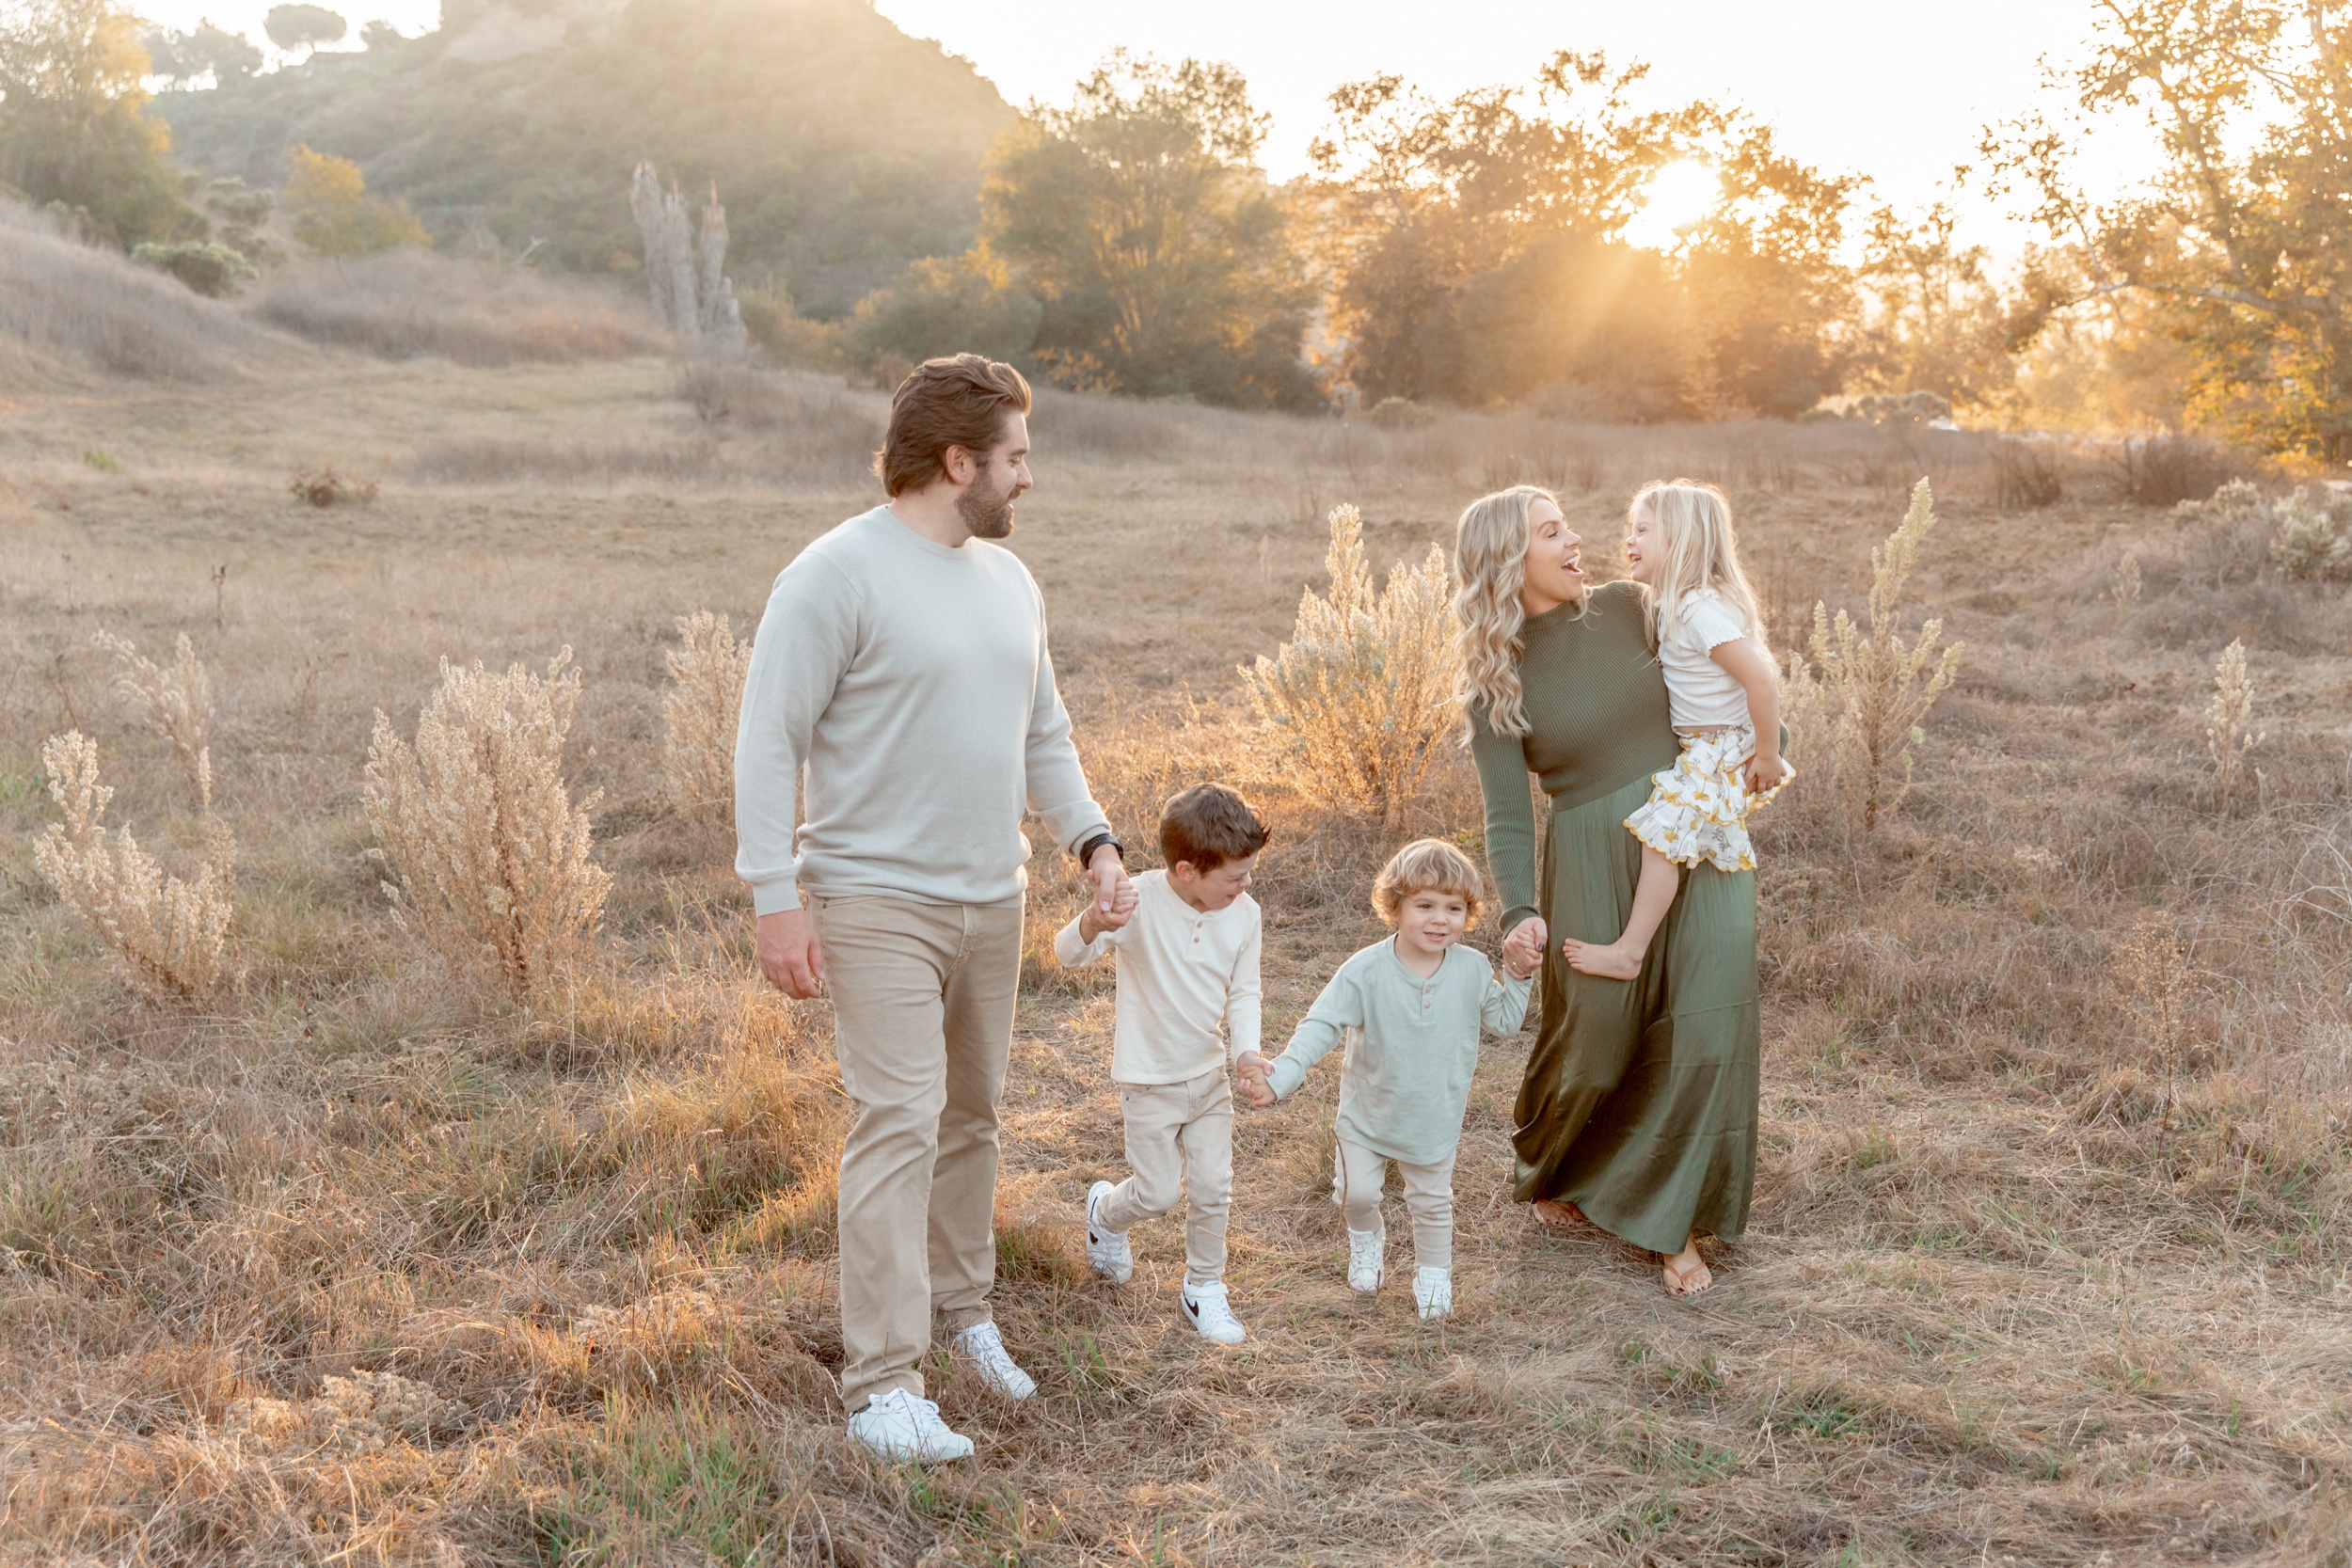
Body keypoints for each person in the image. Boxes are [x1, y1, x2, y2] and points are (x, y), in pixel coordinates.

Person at [736, 353, 1134, 1463]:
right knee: (899, 1121)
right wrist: (777, 898)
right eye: (1014, 458)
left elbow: (1041, 732)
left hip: (989, 896)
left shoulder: (1010, 583)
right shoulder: (833, 576)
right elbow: (768, 740)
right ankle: (881, 1385)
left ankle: (965, 1317)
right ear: (956, 462)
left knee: (974, 1116)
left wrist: (1093, 843)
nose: (1026, 479)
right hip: (873, 900)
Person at [1454, 483, 1764, 1299]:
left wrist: (1762, 743)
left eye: (1566, 525)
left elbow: (1723, 665)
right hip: (1592, 850)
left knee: (1708, 1020)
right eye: (1551, 532)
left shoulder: (1633, 605)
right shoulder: (1498, 683)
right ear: (1507, 562)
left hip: (1692, 833)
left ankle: (1672, 1223)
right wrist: (1520, 910)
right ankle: (1560, 1159)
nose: (1575, 539)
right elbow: (1510, 819)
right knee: (1594, 1037)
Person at [1236, 839, 1536, 1321]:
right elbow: (1320, 1026)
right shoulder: (1364, 971)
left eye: (1453, 908)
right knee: (1356, 1195)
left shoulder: (1473, 969)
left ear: (1468, 914)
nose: (1440, 919)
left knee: (1432, 1202)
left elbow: (1503, 1021)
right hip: (1366, 1115)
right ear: (1395, 907)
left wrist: (1518, 976)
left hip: (1434, 1115)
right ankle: (1365, 1240)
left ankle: (1434, 1276)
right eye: (1425, 906)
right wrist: (1282, 1077)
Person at [1057, 783, 1267, 1346]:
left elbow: (1244, 992)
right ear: (1186, 869)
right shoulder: (1138, 900)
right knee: (1157, 1194)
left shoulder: (1244, 915)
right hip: (1148, 1080)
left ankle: (1205, 1287)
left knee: (1212, 1187)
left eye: (1248, 873)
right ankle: (1105, 1212)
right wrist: (1093, 924)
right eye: (1234, 876)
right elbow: (1065, 955)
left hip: (1208, 1077)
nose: (1245, 885)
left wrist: (1246, 1050)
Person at [1563, 480, 1791, 981]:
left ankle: (1631, 950)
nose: (1630, 541)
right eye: (1631, 529)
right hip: (1704, 745)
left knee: (1661, 837)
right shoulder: (1674, 603)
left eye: (1643, 530)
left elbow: (1761, 680)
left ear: (1682, 540)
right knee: (1686, 837)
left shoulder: (1697, 609)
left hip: (1718, 747)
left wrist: (1768, 754)